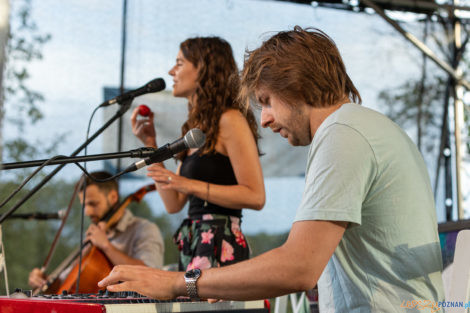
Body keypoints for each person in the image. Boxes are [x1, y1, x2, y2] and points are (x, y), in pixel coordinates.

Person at [99, 27, 444, 311]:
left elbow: (298, 267)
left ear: (295, 84)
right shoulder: (365, 127)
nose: (263, 119)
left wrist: (178, 282)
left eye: (266, 101)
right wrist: (225, 281)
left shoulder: (344, 134)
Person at [131, 37, 265, 271]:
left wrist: (186, 184)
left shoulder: (230, 120)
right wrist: (151, 144)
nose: (171, 71)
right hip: (194, 242)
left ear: (204, 68)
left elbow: (255, 197)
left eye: (179, 63)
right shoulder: (196, 129)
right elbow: (173, 203)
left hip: (222, 242)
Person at [28, 171, 164, 292]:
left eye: (93, 204)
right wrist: (44, 283)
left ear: (113, 197)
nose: (87, 212)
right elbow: (67, 285)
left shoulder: (145, 229)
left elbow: (151, 275)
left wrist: (106, 246)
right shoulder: (94, 235)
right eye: (84, 205)